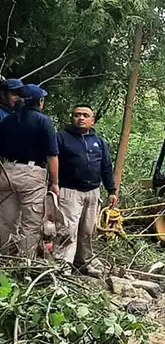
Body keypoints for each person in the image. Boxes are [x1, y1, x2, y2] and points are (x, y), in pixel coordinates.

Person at [55, 104, 117, 273]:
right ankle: (62, 266)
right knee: (68, 229)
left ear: (93, 121)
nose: (80, 118)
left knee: (87, 230)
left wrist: (112, 190)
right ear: (72, 118)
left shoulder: (98, 141)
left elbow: (106, 166)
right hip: (69, 191)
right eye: (77, 115)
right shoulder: (61, 137)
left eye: (85, 115)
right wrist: (52, 185)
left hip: (92, 192)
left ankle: (83, 263)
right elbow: (52, 162)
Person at [0, 84, 59, 257]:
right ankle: (25, 262)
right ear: (39, 102)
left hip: (6, 171)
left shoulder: (7, 120)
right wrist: (55, 183)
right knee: (30, 222)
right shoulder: (44, 121)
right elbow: (52, 155)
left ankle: (3, 259)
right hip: (31, 174)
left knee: (5, 220)